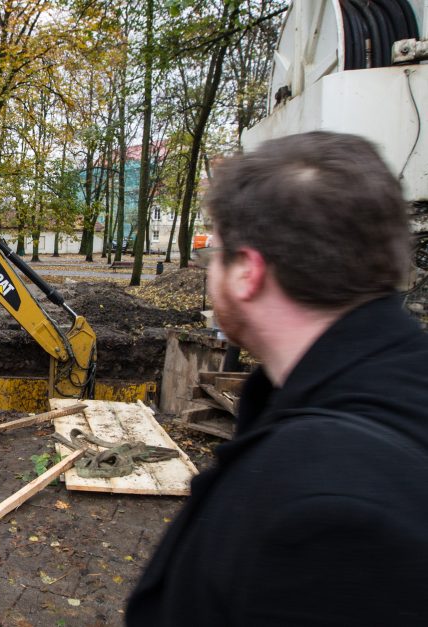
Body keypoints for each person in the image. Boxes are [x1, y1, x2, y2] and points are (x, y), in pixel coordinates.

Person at [126, 132, 428, 626]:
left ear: (247, 271)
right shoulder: (388, 397)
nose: (209, 271)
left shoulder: (324, 514)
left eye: (213, 254)